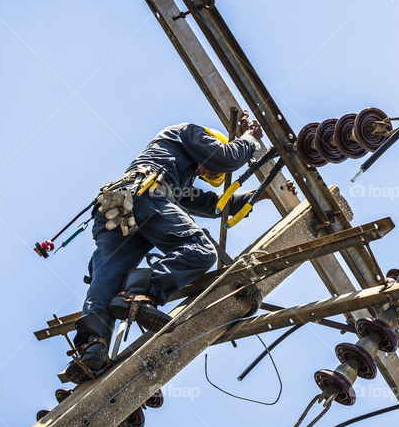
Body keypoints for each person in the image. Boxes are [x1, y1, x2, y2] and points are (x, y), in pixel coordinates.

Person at [61, 112, 294, 382]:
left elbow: (213, 206)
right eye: (208, 169)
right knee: (200, 250)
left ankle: (93, 348)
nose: (205, 172)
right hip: (143, 192)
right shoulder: (187, 132)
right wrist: (250, 138)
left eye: (210, 175)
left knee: (107, 277)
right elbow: (226, 157)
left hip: (117, 208)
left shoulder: (179, 179)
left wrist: (261, 194)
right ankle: (138, 294)